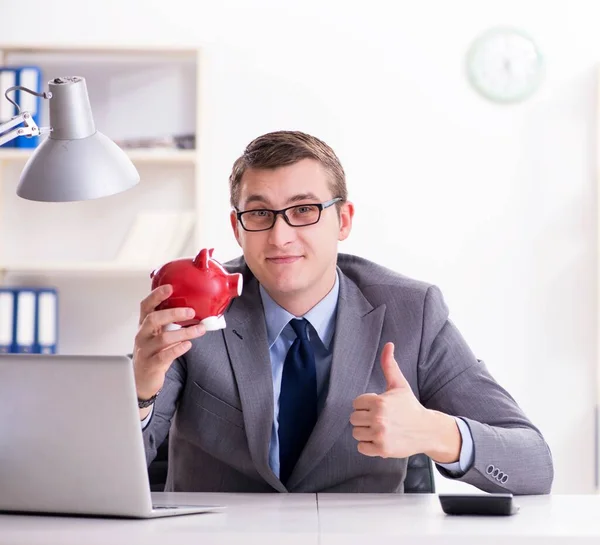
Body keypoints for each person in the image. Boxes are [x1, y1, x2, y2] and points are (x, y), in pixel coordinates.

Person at [134, 130, 553, 494]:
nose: (280, 237)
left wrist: (436, 433)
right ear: (237, 228)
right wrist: (138, 390)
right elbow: (110, 467)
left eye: (303, 211)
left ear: (343, 220)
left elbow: (534, 465)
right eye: (260, 213)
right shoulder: (195, 303)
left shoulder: (413, 312)